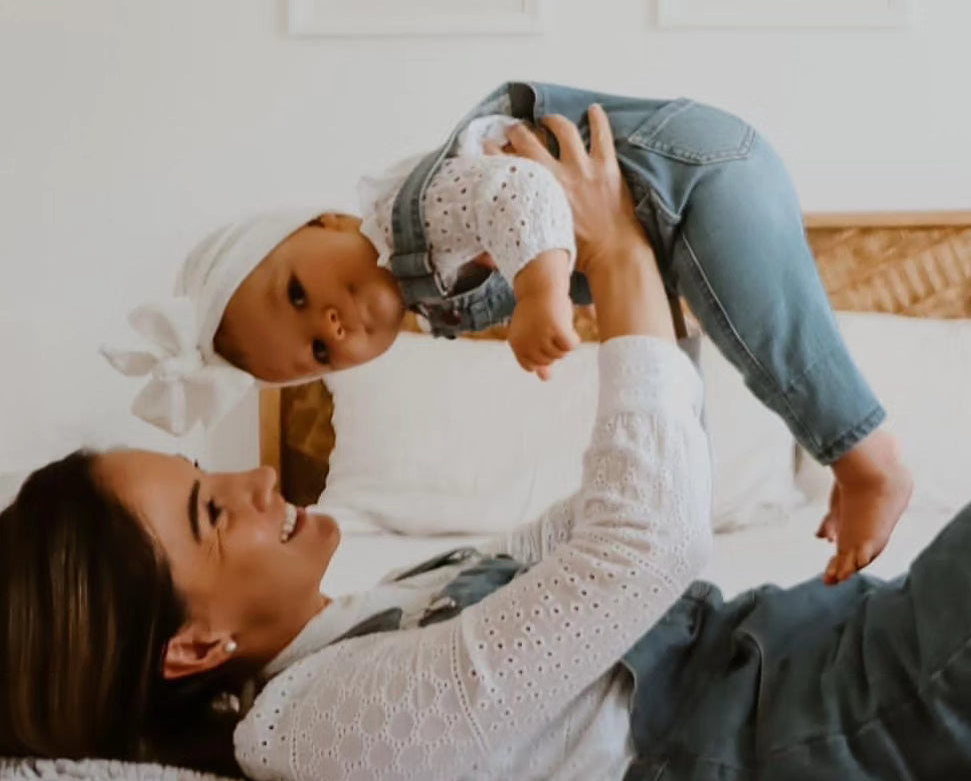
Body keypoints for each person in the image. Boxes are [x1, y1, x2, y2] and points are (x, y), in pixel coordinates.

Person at [6, 112, 971, 781]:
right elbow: (649, 547)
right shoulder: (303, 726)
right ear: (193, 645)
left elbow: (621, 508)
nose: (259, 481)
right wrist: (620, 261)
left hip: (828, 649)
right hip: (818, 720)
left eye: (211, 483)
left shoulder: (380, 605)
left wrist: (627, 272)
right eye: (211, 513)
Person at [105, 83, 911, 584]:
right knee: (740, 346)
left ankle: (866, 461)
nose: (334, 321)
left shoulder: (414, 209)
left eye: (297, 291)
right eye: (321, 351)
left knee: (770, 336)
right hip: (672, 214)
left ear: (326, 221)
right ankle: (818, 465)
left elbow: (522, 187)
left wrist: (540, 292)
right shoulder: (429, 288)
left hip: (692, 173)